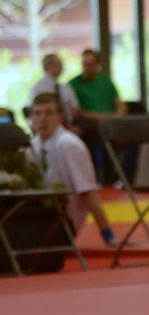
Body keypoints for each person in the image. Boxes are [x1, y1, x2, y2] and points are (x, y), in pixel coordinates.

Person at [28, 93, 117, 246]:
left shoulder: (69, 145)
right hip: (35, 215)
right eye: (37, 113)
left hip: (62, 223)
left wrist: (107, 235)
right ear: (31, 117)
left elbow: (89, 192)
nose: (42, 119)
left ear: (60, 117)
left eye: (48, 113)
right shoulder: (32, 145)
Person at [68, 49, 132, 184]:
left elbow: (121, 106)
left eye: (90, 64)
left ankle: (127, 175)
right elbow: (78, 113)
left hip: (111, 123)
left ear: (97, 65)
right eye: (84, 64)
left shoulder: (106, 82)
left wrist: (118, 114)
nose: (86, 68)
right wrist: (104, 116)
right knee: (99, 130)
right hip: (90, 125)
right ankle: (102, 176)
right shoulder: (73, 84)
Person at [29, 53, 81, 129]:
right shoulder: (37, 88)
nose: (61, 67)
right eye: (58, 64)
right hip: (46, 128)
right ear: (46, 66)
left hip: (67, 127)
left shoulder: (65, 88)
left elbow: (75, 109)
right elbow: (33, 112)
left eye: (61, 64)